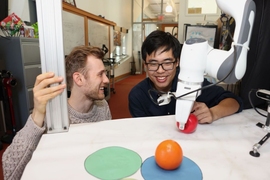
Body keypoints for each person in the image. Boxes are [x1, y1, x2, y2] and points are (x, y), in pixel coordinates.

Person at [2, 46, 112, 180]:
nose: (106, 80)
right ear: (79, 79)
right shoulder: (53, 116)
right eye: (100, 74)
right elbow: (10, 173)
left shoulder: (103, 107)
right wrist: (37, 115)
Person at [129, 30, 243, 124]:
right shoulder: (137, 95)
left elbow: (234, 102)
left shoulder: (190, 81)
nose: (160, 70)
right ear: (145, 65)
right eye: (153, 64)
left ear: (177, 62)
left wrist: (213, 113)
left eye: (167, 63)